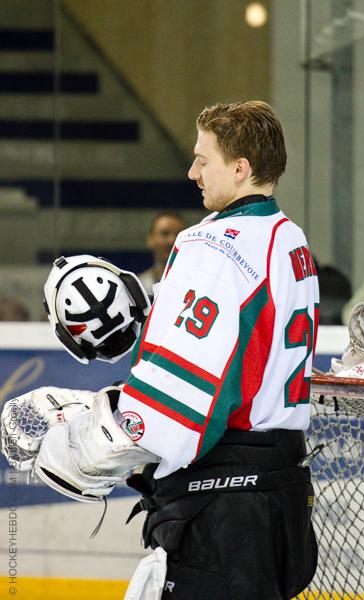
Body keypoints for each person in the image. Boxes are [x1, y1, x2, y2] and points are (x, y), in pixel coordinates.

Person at [2, 101, 319, 600]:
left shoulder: (211, 247)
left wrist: (72, 443)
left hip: (223, 515)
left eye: (203, 160)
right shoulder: (289, 239)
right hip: (282, 500)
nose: (192, 172)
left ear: (240, 168)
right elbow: (237, 359)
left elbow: (170, 414)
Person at [138, 211, 186, 297]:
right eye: (165, 234)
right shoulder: (139, 286)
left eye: (179, 235)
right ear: (150, 239)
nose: (172, 240)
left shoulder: (197, 283)